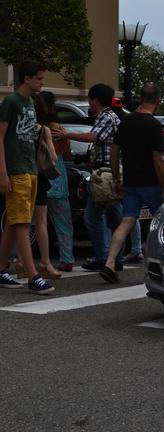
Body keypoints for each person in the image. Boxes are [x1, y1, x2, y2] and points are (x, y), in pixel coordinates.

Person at [99, 83, 164, 283]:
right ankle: (160, 266)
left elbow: (114, 151)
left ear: (140, 98)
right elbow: (158, 159)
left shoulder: (126, 121)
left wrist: (116, 178)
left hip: (130, 181)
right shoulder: (154, 125)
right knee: (163, 223)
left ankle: (110, 263)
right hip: (152, 183)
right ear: (157, 101)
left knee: (127, 221)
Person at [54, 84, 123, 271]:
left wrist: (66, 134)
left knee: (95, 217)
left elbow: (94, 137)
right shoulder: (110, 117)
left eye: (90, 100)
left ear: (95, 100)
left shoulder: (106, 118)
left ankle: (106, 257)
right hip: (108, 173)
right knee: (111, 216)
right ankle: (114, 257)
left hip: (105, 175)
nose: (89, 104)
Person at [0, 60, 55, 294]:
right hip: (16, 169)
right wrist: (3, 171)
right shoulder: (11, 102)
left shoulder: (31, 102)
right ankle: (33, 276)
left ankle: (1, 268)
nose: (42, 82)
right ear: (27, 79)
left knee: (16, 222)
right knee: (22, 223)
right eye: (39, 78)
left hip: (30, 168)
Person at [14, 93, 62, 280]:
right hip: (39, 179)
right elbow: (54, 157)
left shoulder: (16, 130)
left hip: (19, 174)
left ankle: (20, 262)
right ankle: (45, 262)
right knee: (41, 222)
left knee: (20, 222)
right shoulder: (43, 130)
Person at [39, 91, 75, 272]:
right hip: (57, 174)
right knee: (62, 221)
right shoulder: (58, 128)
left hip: (38, 173)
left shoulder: (34, 126)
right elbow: (67, 152)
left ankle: (17, 258)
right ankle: (67, 258)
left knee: (28, 222)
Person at [110, 96, 143, 263]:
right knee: (131, 214)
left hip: (124, 171)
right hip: (131, 170)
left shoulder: (117, 122)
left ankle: (117, 256)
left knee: (127, 214)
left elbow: (115, 151)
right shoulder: (126, 119)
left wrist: (116, 176)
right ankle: (136, 248)